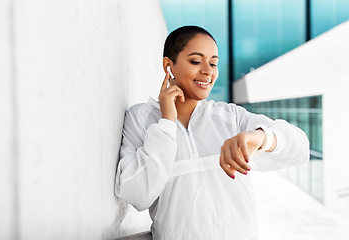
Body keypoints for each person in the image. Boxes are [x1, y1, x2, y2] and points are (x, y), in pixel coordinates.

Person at [115, 26, 309, 240]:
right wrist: (167, 123)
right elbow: (137, 194)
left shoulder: (230, 116)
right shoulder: (140, 118)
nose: (208, 71)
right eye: (196, 61)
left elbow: (300, 147)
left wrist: (261, 137)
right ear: (168, 66)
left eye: (214, 63)